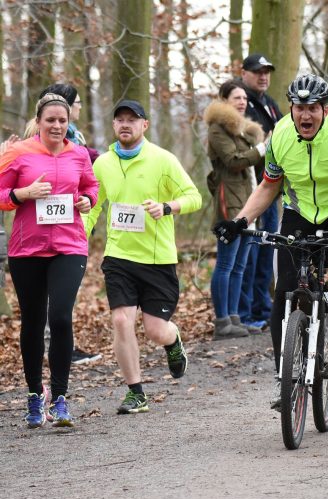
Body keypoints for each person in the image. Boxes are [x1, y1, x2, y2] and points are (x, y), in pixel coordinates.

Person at [214, 74, 328, 409]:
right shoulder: (280, 135)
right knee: (285, 293)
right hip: (299, 213)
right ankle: (286, 376)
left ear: (325, 108)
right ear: (291, 109)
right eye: (299, 108)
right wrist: (239, 222)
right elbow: (268, 186)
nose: (305, 116)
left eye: (312, 109)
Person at [86, 99, 201, 414]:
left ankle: (173, 339)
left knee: (155, 330)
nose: (126, 124)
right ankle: (136, 392)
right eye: (120, 119)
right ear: (113, 126)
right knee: (121, 320)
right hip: (119, 257)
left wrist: (167, 207)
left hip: (157, 260)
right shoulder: (104, 164)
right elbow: (94, 206)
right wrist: (77, 240)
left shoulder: (163, 160)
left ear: (144, 125)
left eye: (132, 120)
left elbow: (194, 197)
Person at [0, 93, 98, 428]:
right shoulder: (19, 153)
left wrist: (86, 199)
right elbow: (0, 194)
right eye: (51, 120)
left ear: (69, 123)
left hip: (69, 246)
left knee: (59, 317)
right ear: (39, 122)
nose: (57, 125)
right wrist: (21, 195)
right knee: (31, 322)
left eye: (62, 120)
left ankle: (59, 399)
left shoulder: (79, 154)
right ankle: (32, 394)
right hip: (27, 249)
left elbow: (91, 187)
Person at [33, 83, 102, 364]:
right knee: (45, 300)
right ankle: (48, 347)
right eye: (78, 102)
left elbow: (88, 178)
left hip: (69, 227)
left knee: (62, 298)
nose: (80, 107)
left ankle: (61, 347)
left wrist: (87, 197)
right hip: (39, 231)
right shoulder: (36, 138)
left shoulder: (76, 139)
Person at [204, 79, 268, 339]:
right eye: (236, 98)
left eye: (244, 98)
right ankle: (222, 321)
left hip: (248, 203)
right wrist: (263, 148)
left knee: (240, 266)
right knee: (226, 264)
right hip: (230, 204)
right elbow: (233, 161)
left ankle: (235, 318)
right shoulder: (218, 129)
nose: (242, 102)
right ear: (224, 101)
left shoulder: (244, 131)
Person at [239, 53, 284, 331]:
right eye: (257, 71)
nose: (263, 76)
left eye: (267, 71)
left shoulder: (270, 104)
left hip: (273, 189)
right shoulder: (240, 104)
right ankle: (244, 314)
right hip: (251, 190)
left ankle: (263, 309)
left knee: (267, 253)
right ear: (243, 73)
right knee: (250, 254)